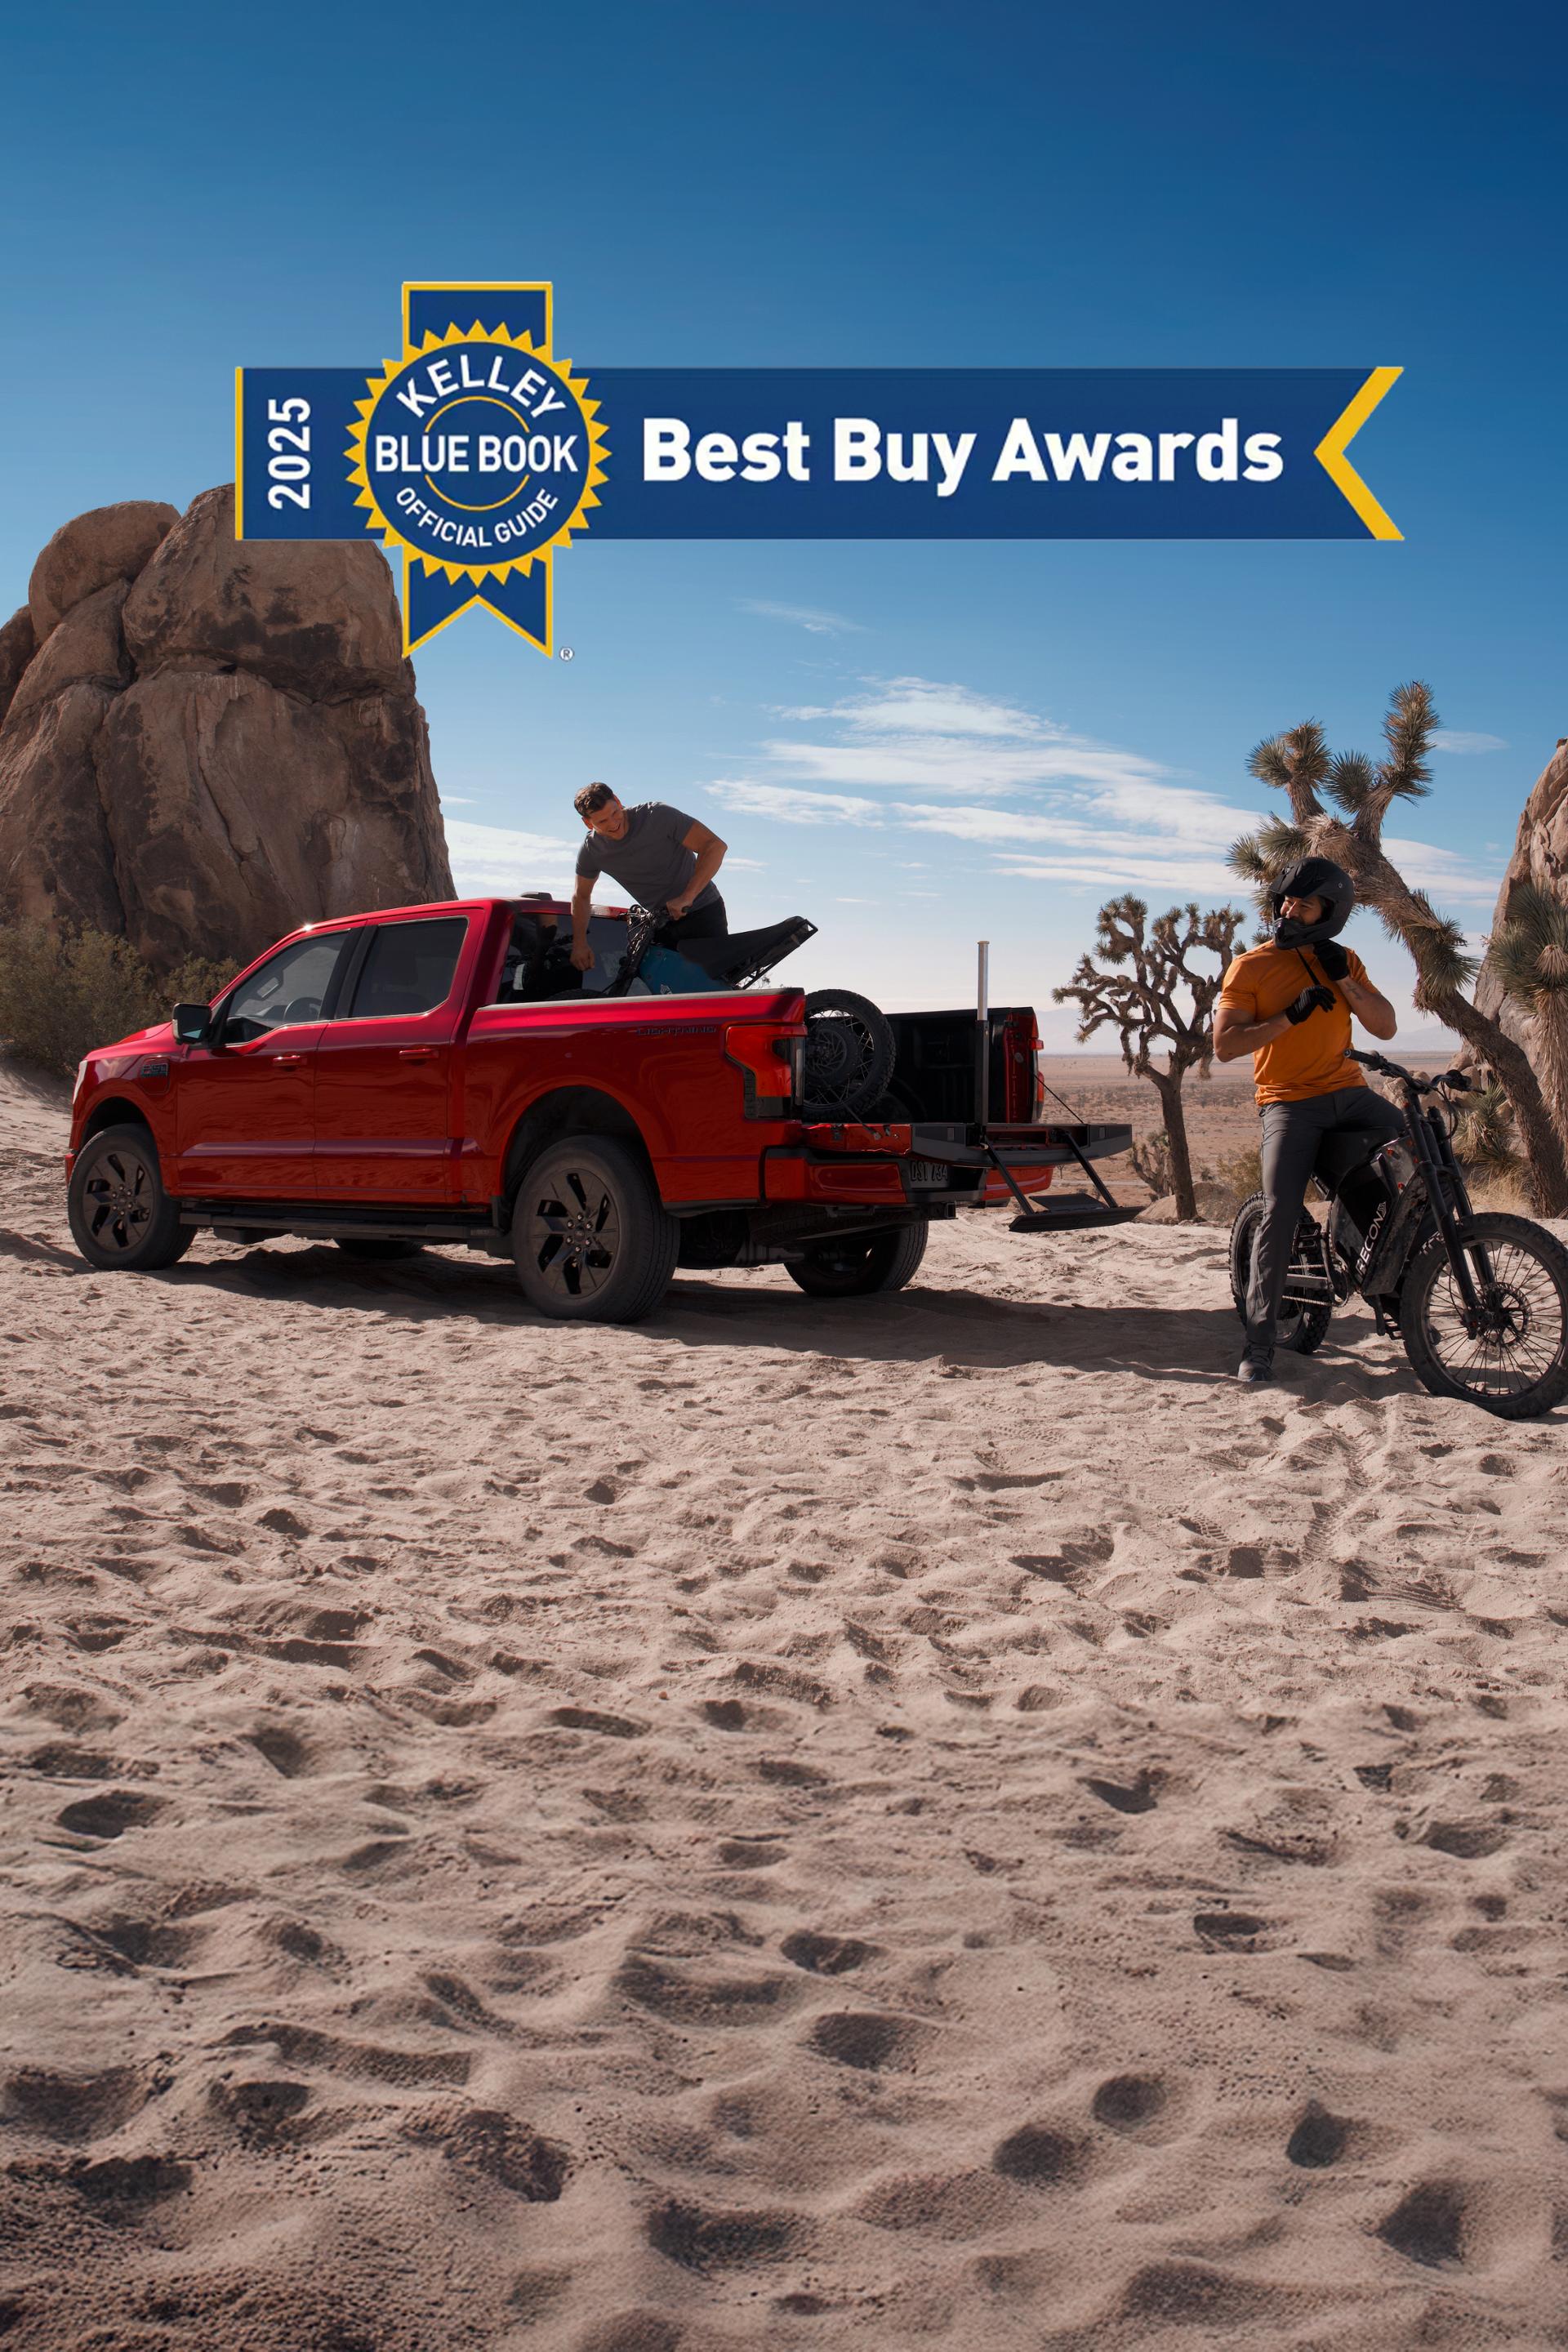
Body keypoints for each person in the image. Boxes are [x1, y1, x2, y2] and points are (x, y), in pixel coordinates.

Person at [1214, 857, 1401, 1385]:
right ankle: (1259, 1346)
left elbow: (1384, 1027)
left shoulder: (1343, 960)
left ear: (1328, 913)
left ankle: (1399, 1293)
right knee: (1278, 1212)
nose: (1289, 910)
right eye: (1286, 901)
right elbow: (1225, 1046)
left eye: (1303, 903)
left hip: (1350, 1094)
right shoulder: (1250, 966)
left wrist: (1344, 979)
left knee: (1419, 1159)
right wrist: (1287, 1017)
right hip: (1288, 1102)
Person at [569, 784, 728, 973]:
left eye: (614, 813)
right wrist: (579, 943)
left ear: (618, 801)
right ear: (588, 823)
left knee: (713, 985)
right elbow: (581, 896)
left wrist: (687, 896)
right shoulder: (592, 850)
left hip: (703, 912)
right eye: (602, 822)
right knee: (664, 990)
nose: (613, 824)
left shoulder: (657, 815)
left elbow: (714, 846)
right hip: (660, 923)